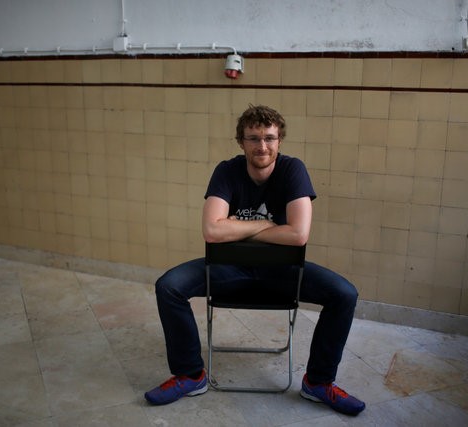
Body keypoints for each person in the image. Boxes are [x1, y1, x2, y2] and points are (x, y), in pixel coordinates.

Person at [144, 105, 365, 416]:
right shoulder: (226, 170)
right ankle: (190, 375)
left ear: (279, 141)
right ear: (241, 142)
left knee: (344, 294)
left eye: (270, 138)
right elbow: (211, 230)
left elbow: (299, 234)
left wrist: (235, 228)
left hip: (283, 272)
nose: (262, 146)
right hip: (227, 269)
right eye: (253, 138)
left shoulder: (293, 170)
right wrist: (267, 225)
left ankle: (318, 382)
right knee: (169, 286)